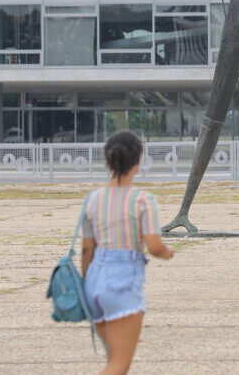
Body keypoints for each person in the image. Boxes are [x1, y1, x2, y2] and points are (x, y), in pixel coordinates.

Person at [81, 131, 175, 375]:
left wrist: (86, 284)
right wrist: (168, 253)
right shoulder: (142, 200)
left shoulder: (92, 199)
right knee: (118, 366)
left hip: (94, 282)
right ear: (139, 158)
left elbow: (86, 249)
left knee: (113, 358)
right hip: (122, 283)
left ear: (108, 160)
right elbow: (154, 246)